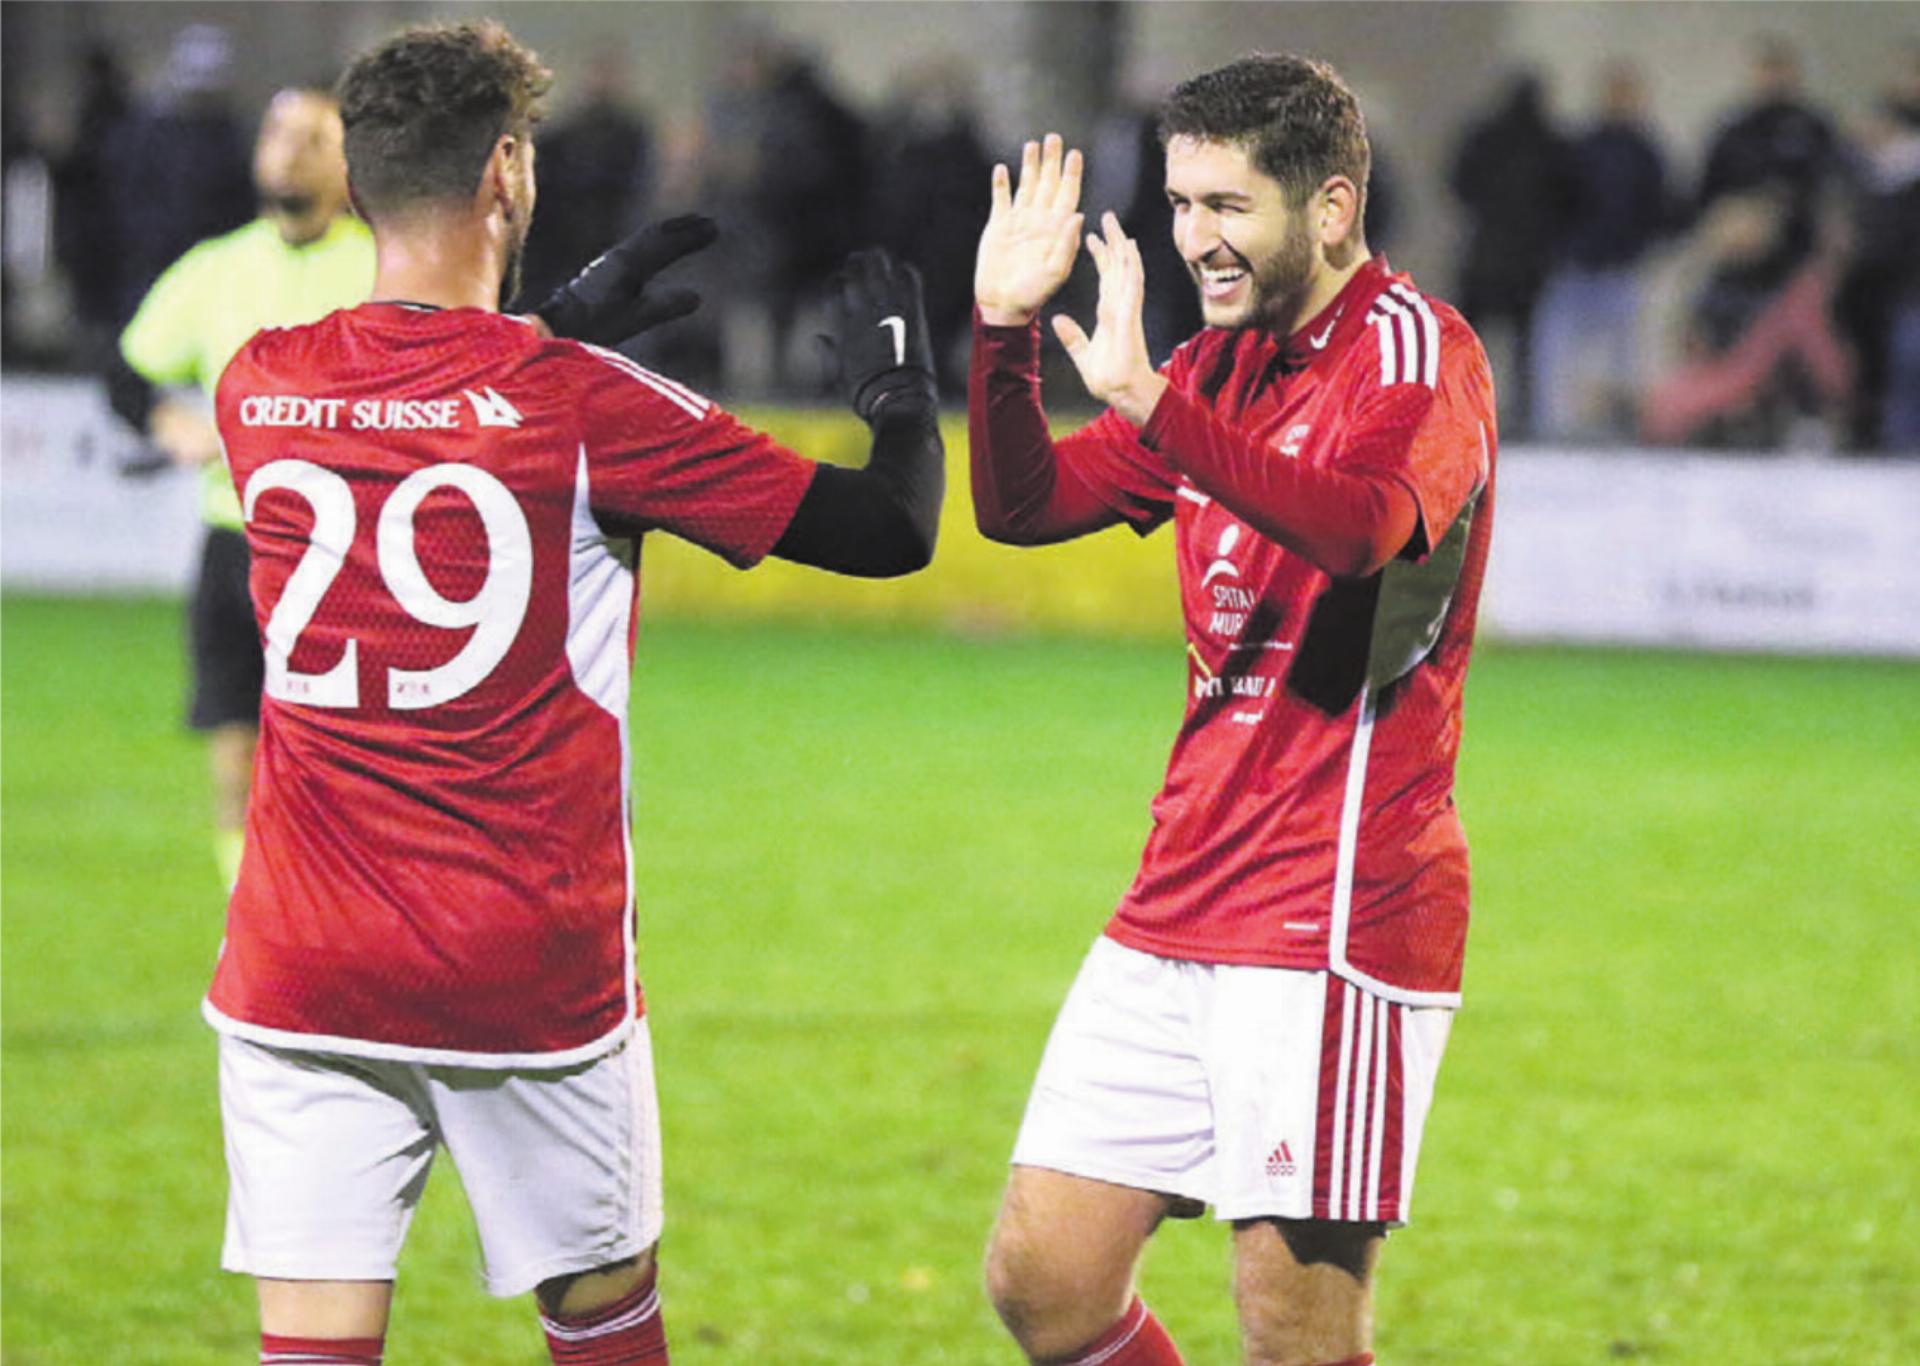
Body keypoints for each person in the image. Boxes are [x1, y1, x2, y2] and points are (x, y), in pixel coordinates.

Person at [207, 20, 941, 1366]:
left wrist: (544, 322)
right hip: (520, 972)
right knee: (601, 1314)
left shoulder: (262, 385)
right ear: (507, 172)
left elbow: (418, 405)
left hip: (298, 962)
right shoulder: (589, 404)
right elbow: (889, 530)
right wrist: (900, 388)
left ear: (359, 182)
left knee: (311, 1342)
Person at [970, 54, 1496, 1366]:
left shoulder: (1420, 354)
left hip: (1335, 908)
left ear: (1329, 207)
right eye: (1180, 201)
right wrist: (999, 328)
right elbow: (1020, 506)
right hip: (1181, 889)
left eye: (1227, 205)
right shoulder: (1217, 367)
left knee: (1295, 1327)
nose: (1195, 236)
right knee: (1048, 1279)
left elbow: (1365, 526)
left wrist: (1157, 403)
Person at [106, 87, 374, 890]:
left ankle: (353, 926)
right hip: (237, 546)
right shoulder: (216, 268)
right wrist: (169, 425)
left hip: (351, 550)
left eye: (312, 136)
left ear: (347, 163)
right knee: (235, 756)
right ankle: (252, 926)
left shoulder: (381, 266)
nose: (289, 149)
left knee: (348, 771)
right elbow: (125, 373)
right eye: (277, 131)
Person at [1531, 62, 1673, 443]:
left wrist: (1641, 246)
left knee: (1624, 356)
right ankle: (1554, 426)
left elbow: (1662, 207)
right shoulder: (1582, 148)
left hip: (1621, 268)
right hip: (1576, 266)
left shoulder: (1647, 153)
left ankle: (1621, 424)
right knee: (1558, 353)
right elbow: (1556, 201)